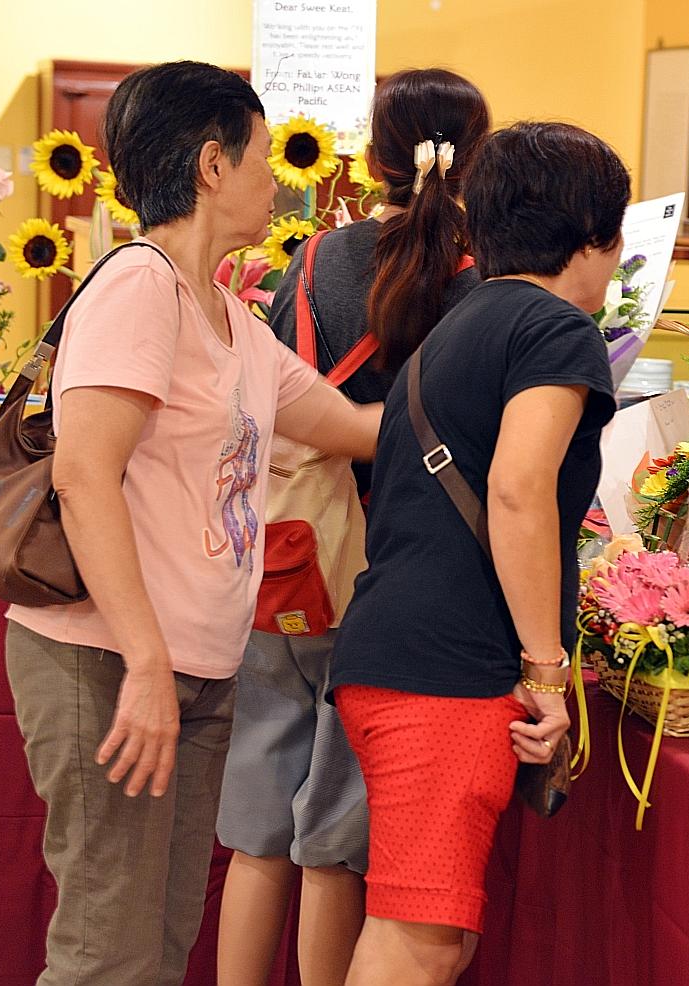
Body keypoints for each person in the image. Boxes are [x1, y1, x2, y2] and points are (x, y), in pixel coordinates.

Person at [2, 61, 383, 986]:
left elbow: (351, 428)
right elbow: (86, 478)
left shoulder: (225, 312)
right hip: (112, 661)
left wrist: (508, 385)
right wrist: (141, 663)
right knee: (109, 951)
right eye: (261, 157)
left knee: (161, 939)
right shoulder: (140, 288)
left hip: (195, 668)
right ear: (214, 165)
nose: (276, 180)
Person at [329, 121, 627, 986]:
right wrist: (544, 669)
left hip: (397, 650)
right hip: (446, 675)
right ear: (596, 237)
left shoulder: (461, 321)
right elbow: (518, 491)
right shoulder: (557, 329)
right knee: (417, 940)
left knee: (438, 936)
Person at [215, 68, 489, 986]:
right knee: (334, 839)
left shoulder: (319, 255)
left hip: (282, 553)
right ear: (477, 157)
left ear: (371, 157)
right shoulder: (476, 282)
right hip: (384, 575)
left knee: (255, 832)